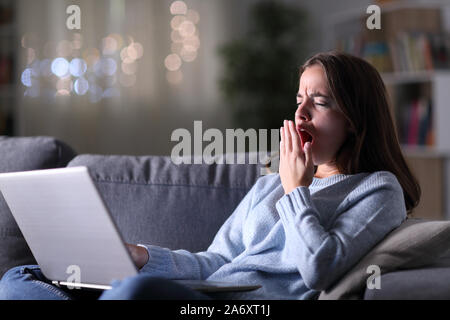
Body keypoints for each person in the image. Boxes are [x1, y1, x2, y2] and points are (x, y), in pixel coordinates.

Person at [0, 51, 421, 300]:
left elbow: (320, 269)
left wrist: (297, 189)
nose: (301, 112)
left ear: (354, 117)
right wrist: (144, 257)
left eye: (320, 101)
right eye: (298, 99)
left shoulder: (377, 190)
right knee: (21, 278)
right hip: (205, 295)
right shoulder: (268, 184)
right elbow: (216, 262)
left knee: (133, 294)